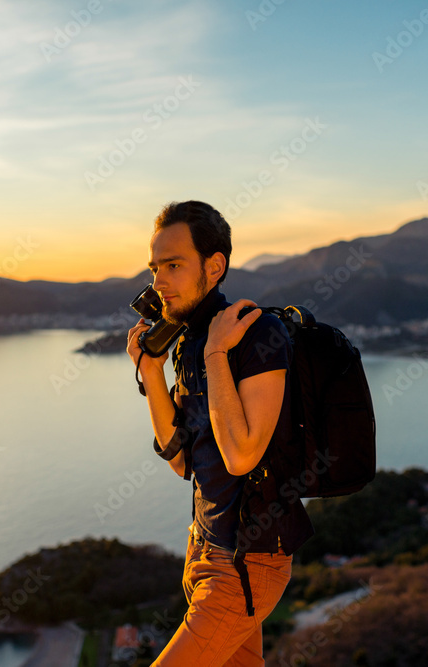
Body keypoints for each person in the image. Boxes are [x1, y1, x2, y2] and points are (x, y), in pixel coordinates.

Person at [126, 201, 314, 666]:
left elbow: (241, 456)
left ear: (214, 266)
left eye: (173, 265)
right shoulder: (188, 342)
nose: (159, 282)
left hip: (247, 565)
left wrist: (216, 353)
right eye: (155, 268)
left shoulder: (256, 334)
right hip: (203, 554)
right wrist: (151, 374)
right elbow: (182, 462)